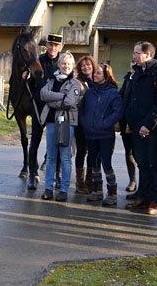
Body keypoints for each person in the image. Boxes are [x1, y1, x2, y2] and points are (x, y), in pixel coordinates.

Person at [123, 41, 157, 215]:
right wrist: (130, 119)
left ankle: (154, 200)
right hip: (136, 127)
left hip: (152, 128)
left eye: (137, 53)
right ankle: (142, 196)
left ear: (148, 55)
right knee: (142, 163)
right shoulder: (137, 72)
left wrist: (148, 124)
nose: (134, 56)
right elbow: (131, 98)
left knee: (153, 163)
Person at [39, 51, 81, 202]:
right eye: (64, 63)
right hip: (51, 123)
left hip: (67, 123)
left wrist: (51, 99)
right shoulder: (51, 80)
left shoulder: (75, 84)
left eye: (69, 64)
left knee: (65, 157)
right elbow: (43, 94)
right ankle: (48, 189)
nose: (66, 66)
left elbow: (70, 102)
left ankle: (63, 190)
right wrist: (61, 97)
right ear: (59, 64)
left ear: (73, 66)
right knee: (50, 156)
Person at [80, 63, 123, 205]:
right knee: (93, 162)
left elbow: (118, 112)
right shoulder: (90, 92)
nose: (94, 75)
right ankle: (97, 191)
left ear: (106, 75)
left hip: (105, 135)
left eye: (98, 73)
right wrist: (85, 122)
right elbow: (83, 110)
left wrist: (104, 124)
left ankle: (112, 193)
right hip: (90, 133)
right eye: (95, 73)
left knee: (106, 163)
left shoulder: (113, 93)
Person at [26, 33, 64, 190]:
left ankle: (57, 174)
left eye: (56, 46)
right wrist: (26, 76)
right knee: (34, 141)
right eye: (50, 45)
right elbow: (30, 82)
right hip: (40, 108)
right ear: (46, 45)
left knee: (60, 143)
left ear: (60, 47)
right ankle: (32, 175)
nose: (53, 48)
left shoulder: (64, 62)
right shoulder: (38, 61)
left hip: (58, 110)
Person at [73, 55, 97, 194]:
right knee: (81, 151)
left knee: (92, 152)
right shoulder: (77, 82)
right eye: (83, 65)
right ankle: (79, 182)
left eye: (88, 64)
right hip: (81, 122)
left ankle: (89, 180)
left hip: (94, 123)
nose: (85, 67)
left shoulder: (98, 79)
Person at [118, 62, 137, 193]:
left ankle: (144, 187)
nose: (132, 65)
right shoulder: (128, 78)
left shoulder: (145, 78)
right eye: (131, 63)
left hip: (138, 123)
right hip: (126, 122)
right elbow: (121, 96)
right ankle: (133, 180)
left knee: (140, 155)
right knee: (129, 152)